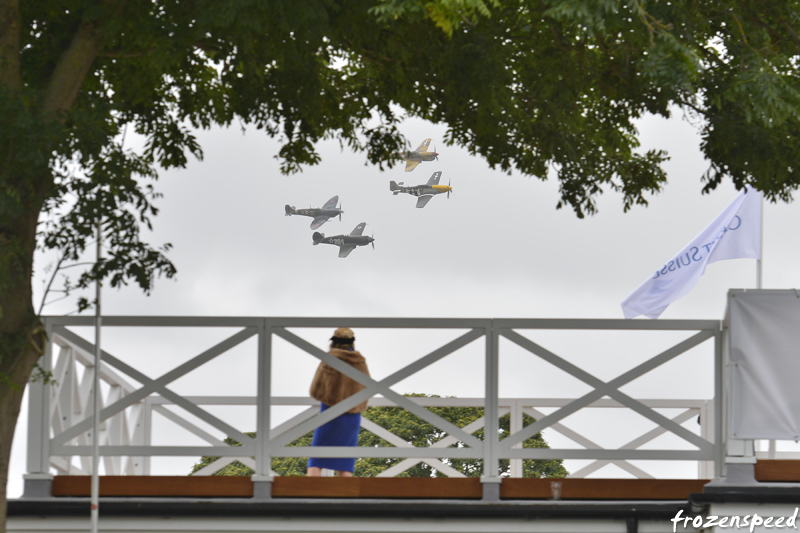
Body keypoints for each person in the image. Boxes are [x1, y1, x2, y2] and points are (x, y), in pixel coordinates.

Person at [307, 327, 370, 477]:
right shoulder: (359, 361)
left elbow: (315, 390)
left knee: (317, 459)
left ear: (333, 342)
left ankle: (310, 494)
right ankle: (346, 498)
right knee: (345, 463)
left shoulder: (330, 358)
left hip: (331, 413)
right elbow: (368, 387)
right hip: (352, 417)